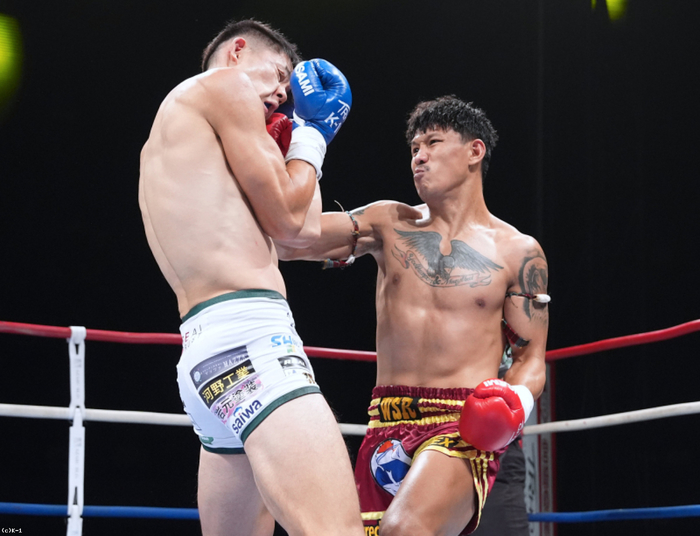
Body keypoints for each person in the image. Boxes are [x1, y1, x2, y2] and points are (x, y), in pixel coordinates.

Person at [277, 95, 549, 535]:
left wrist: (514, 402)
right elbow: (292, 241)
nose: (419, 157)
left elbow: (530, 359)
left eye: (433, 143)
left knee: (405, 529)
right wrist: (306, 142)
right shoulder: (388, 223)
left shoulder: (518, 251)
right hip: (385, 421)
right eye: (414, 148)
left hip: (461, 425)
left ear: (474, 151)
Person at [138, 18, 363, 536]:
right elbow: (290, 222)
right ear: (237, 51)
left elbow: (299, 236)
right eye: (280, 74)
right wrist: (313, 135)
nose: (284, 94)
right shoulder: (225, 85)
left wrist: (298, 148)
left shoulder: (180, 134)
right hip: (252, 340)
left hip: (206, 355)